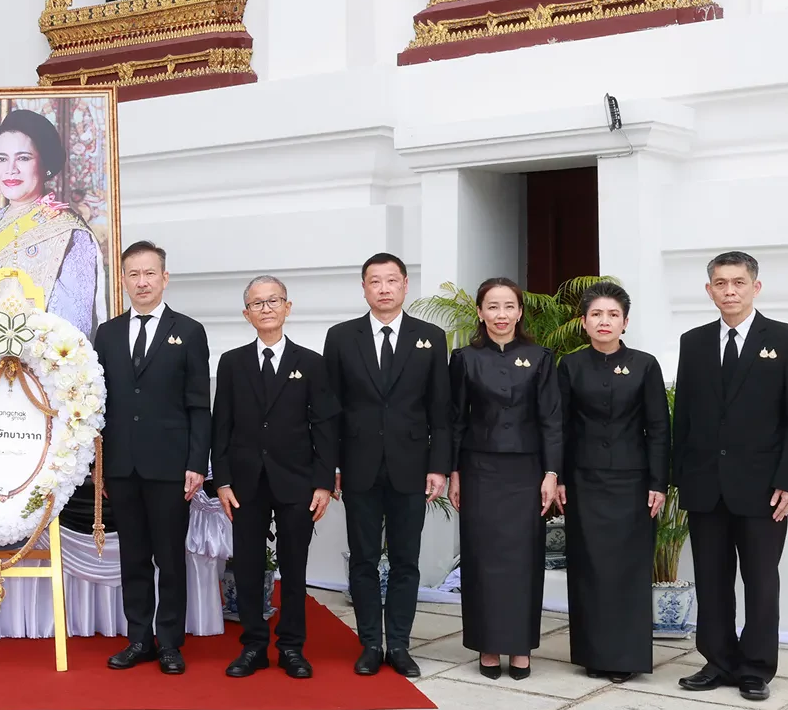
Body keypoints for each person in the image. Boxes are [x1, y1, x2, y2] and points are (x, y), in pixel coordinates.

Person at [672, 251, 788, 702]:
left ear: (756, 287)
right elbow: (685, 415)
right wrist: (680, 476)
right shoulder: (693, 341)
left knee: (761, 579)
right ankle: (717, 660)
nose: (730, 291)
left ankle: (756, 667)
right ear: (709, 290)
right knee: (712, 578)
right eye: (720, 283)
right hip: (705, 483)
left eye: (738, 282)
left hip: (764, 487)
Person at [323, 253, 451, 679]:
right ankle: (369, 644)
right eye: (374, 281)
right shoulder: (342, 337)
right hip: (358, 465)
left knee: (405, 560)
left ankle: (398, 643)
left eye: (391, 281)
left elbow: (440, 409)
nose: (383, 288)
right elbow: (330, 410)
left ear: (405, 286)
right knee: (361, 559)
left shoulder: (430, 337)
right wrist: (332, 466)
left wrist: (439, 466)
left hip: (411, 466)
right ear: (364, 288)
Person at [91, 241, 211, 675]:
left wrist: (197, 463)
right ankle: (139, 638)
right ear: (122, 280)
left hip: (171, 467)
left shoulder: (189, 331)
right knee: (134, 557)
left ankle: (171, 643)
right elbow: (97, 405)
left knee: (169, 558)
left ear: (164, 278)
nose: (141, 282)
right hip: (123, 467)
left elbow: (200, 405)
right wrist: (100, 467)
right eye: (133, 274)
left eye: (149, 273)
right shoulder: (106, 334)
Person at [212, 276, 339, 678]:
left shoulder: (311, 362)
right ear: (246, 313)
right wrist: (224, 481)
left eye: (274, 301)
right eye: (257, 303)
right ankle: (252, 646)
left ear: (288, 307)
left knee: (294, 566)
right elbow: (222, 427)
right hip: (245, 483)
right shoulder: (232, 363)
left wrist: (323, 482)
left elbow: (324, 425)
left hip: (297, 482)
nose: (266, 309)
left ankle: (291, 648)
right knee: (247, 566)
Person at [448, 277, 562, 680]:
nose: (501, 315)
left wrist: (551, 472)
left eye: (508, 306)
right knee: (482, 559)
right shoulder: (464, 358)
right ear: (480, 313)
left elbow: (551, 419)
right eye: (492, 307)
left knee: (523, 560)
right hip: (479, 471)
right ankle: (487, 645)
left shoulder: (540, 356)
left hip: (526, 472)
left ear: (519, 312)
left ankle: (520, 647)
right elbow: (455, 421)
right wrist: (455, 472)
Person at [555, 281, 668, 682]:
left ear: (625, 322)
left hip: (633, 483)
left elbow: (658, 427)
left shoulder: (645, 364)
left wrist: (658, 482)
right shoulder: (569, 365)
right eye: (597, 314)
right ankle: (593, 653)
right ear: (584, 321)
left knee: (628, 570)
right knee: (589, 568)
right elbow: (561, 427)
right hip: (584, 482)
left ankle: (626, 658)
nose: (605, 321)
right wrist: (561, 477)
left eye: (613, 315)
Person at [0, 108, 105, 337]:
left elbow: (73, 329)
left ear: (45, 165)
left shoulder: (69, 232)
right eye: (1, 159)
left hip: (40, 366)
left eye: (23, 158)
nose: (10, 169)